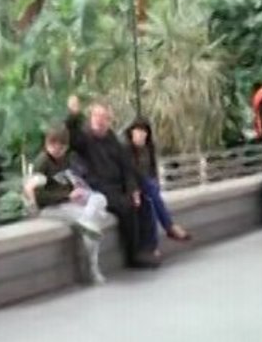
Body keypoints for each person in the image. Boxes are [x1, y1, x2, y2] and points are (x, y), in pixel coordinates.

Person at [66, 96, 158, 268]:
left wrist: (133, 190)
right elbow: (73, 138)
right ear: (91, 118)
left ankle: (148, 248)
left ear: (109, 120)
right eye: (97, 117)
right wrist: (73, 115)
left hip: (118, 186)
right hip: (98, 188)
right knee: (126, 207)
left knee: (143, 201)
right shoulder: (85, 139)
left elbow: (127, 168)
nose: (100, 121)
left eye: (104, 117)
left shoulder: (114, 141)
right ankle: (133, 256)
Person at [25, 125, 108, 284]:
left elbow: (68, 181)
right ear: (47, 143)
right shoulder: (42, 162)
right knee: (92, 221)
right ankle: (92, 268)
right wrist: (66, 195)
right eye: (52, 145)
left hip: (67, 202)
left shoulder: (65, 160)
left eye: (61, 146)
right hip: (50, 208)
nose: (56, 149)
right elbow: (38, 195)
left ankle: (87, 222)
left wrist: (76, 189)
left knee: (99, 199)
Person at [124, 117, 191, 249]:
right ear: (131, 132)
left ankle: (154, 246)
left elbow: (152, 170)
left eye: (144, 131)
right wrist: (135, 190)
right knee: (151, 192)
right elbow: (129, 173)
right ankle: (170, 227)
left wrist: (154, 182)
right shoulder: (126, 149)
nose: (141, 134)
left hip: (148, 188)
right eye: (137, 131)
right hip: (132, 187)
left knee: (151, 203)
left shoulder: (149, 148)